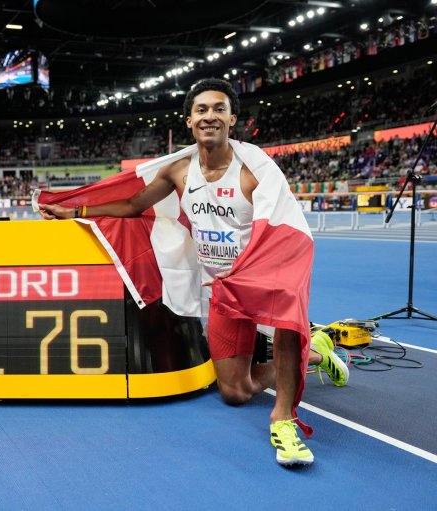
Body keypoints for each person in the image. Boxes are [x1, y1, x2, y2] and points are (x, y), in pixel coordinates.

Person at [38, 78, 348, 466]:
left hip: (260, 277)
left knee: (286, 305)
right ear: (189, 121)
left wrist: (263, 273)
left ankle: (282, 418)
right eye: (201, 110)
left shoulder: (254, 170)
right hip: (224, 289)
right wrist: (77, 211)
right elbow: (134, 204)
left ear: (232, 119)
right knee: (235, 391)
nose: (210, 116)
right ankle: (315, 355)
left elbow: (285, 227)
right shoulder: (179, 172)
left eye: (219, 109)